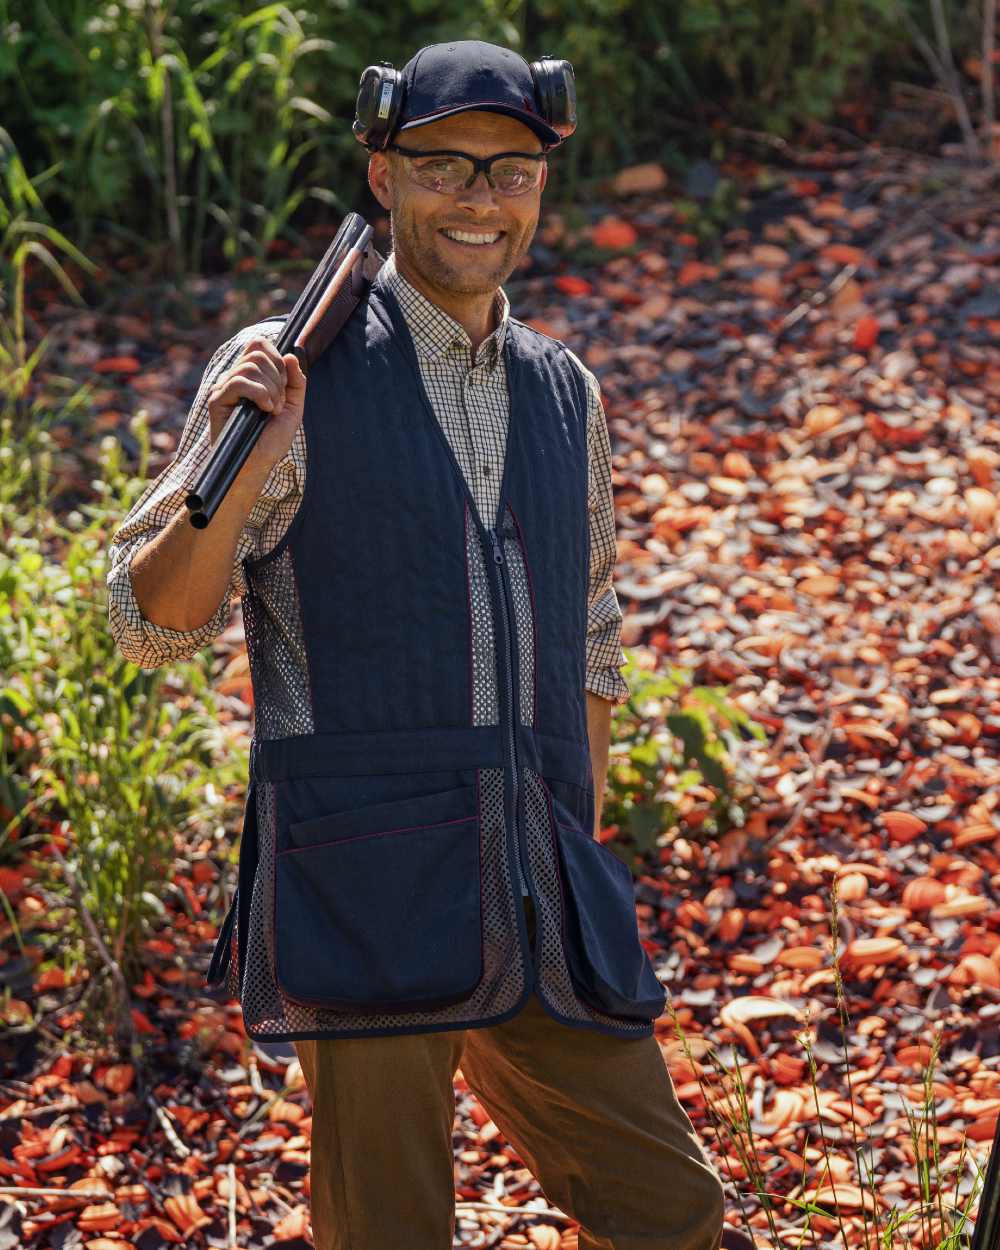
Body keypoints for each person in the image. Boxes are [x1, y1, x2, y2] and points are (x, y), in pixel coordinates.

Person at [107, 39, 726, 1250]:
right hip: (369, 886)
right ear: (383, 175)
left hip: (540, 880)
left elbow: (592, 634)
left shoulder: (567, 391)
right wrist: (241, 458)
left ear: (542, 185)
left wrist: (574, 840)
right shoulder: (291, 370)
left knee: (672, 1212)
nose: (478, 199)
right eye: (444, 165)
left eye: (510, 170)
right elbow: (151, 627)